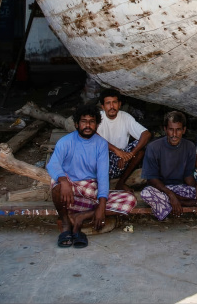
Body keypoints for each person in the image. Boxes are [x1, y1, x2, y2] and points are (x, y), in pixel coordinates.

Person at [47, 103, 136, 248]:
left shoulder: (101, 144)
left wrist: (101, 207)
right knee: (56, 186)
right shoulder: (65, 142)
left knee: (130, 199)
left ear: (96, 124)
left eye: (92, 121)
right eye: (84, 121)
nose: (87, 125)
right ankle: (65, 224)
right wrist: (63, 181)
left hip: (90, 194)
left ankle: (81, 217)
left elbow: (102, 176)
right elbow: (52, 165)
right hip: (69, 193)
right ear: (76, 124)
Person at [140, 111, 197, 220]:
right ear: (165, 129)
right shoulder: (153, 148)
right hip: (161, 189)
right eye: (171, 129)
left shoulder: (189, 147)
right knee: (146, 193)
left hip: (180, 188)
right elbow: (151, 179)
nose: (174, 134)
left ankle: (177, 203)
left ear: (184, 130)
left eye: (178, 130)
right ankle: (188, 203)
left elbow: (188, 176)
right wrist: (170, 195)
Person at [97, 88, 151, 192]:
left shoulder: (125, 117)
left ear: (119, 104)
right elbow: (93, 136)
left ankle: (120, 183)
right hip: (104, 159)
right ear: (103, 106)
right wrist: (117, 151)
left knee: (140, 149)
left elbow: (146, 134)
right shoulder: (98, 118)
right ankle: (102, 186)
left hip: (122, 160)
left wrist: (130, 154)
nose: (112, 106)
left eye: (115, 102)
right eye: (108, 103)